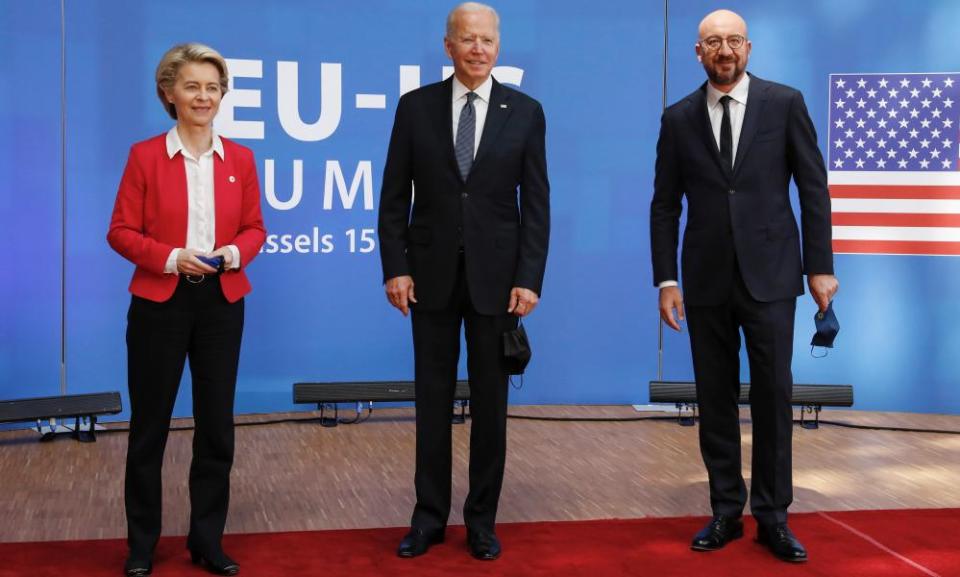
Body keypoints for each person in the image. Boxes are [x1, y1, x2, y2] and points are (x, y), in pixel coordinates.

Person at [649, 9, 838, 563]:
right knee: (714, 398)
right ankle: (726, 512)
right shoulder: (678, 117)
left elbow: (812, 187)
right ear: (698, 53)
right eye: (713, 42)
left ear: (749, 49)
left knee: (775, 396)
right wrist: (666, 279)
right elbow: (664, 205)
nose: (724, 50)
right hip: (704, 281)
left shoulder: (785, 103)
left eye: (733, 41)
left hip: (773, 277)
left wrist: (819, 266)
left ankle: (774, 517)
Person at [377, 1, 550, 561]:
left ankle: (482, 521)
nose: (478, 49)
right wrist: (395, 267)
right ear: (446, 46)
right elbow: (391, 200)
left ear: (498, 47)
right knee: (430, 404)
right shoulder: (414, 108)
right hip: (427, 280)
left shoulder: (525, 111)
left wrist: (529, 277)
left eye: (487, 40)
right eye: (467, 39)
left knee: (491, 408)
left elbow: (537, 206)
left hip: (498, 285)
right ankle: (427, 519)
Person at [107, 43, 266, 576]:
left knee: (217, 425)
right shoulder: (144, 156)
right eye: (193, 86)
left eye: (212, 87)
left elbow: (255, 228)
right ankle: (141, 546)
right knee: (149, 427)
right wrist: (172, 258)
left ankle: (206, 540)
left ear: (222, 96)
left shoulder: (240, 158)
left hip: (222, 304)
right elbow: (120, 232)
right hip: (160, 303)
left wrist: (233, 253)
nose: (204, 96)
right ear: (169, 93)